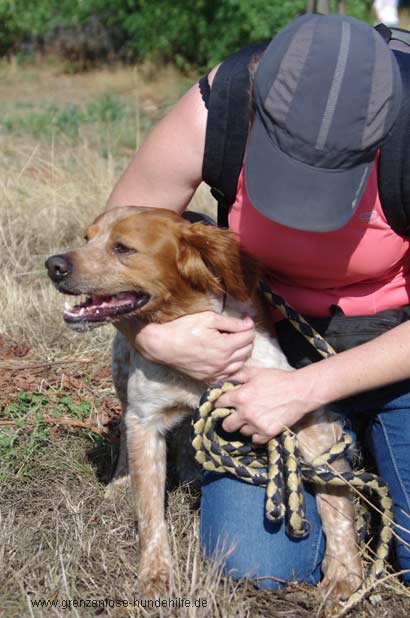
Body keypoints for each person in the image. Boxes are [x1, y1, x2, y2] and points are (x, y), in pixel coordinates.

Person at [106, 13, 410, 588]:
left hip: (394, 350)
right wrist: (156, 336)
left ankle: (368, 442)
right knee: (255, 567)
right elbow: (117, 247)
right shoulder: (221, 106)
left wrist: (307, 389)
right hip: (261, 344)